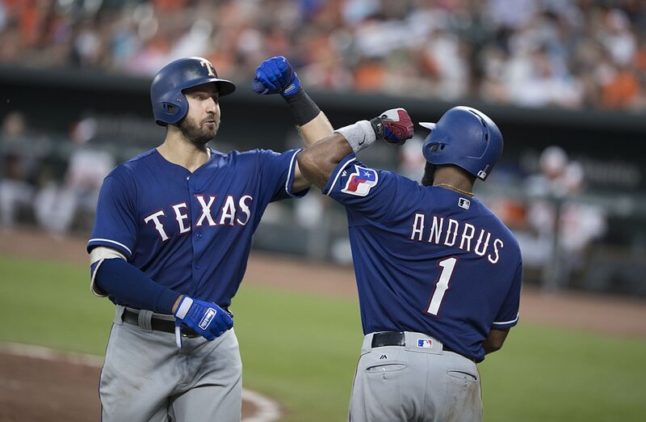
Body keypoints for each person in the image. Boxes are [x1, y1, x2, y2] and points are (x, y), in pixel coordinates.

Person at [86, 55, 333, 421]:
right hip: (142, 345)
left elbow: (328, 160)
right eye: (200, 96)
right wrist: (179, 305)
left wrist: (294, 94)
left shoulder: (249, 170)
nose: (212, 106)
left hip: (213, 349)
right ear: (169, 103)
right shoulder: (127, 180)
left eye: (216, 98)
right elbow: (105, 270)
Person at [293, 105, 523, 421]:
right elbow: (495, 338)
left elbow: (312, 160)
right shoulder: (506, 244)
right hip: (460, 375)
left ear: (436, 149)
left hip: (390, 364)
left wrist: (374, 126)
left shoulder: (395, 196)